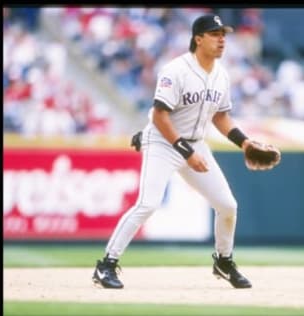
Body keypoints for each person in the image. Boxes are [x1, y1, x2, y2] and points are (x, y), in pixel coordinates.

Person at [92, 14, 274, 290]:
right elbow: (160, 115)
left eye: (223, 34)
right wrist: (186, 153)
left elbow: (221, 117)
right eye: (214, 34)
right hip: (163, 142)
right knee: (148, 203)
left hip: (196, 142)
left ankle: (223, 262)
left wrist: (245, 143)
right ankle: (106, 265)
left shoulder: (221, 75)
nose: (222, 39)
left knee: (228, 206)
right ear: (198, 39)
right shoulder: (175, 70)